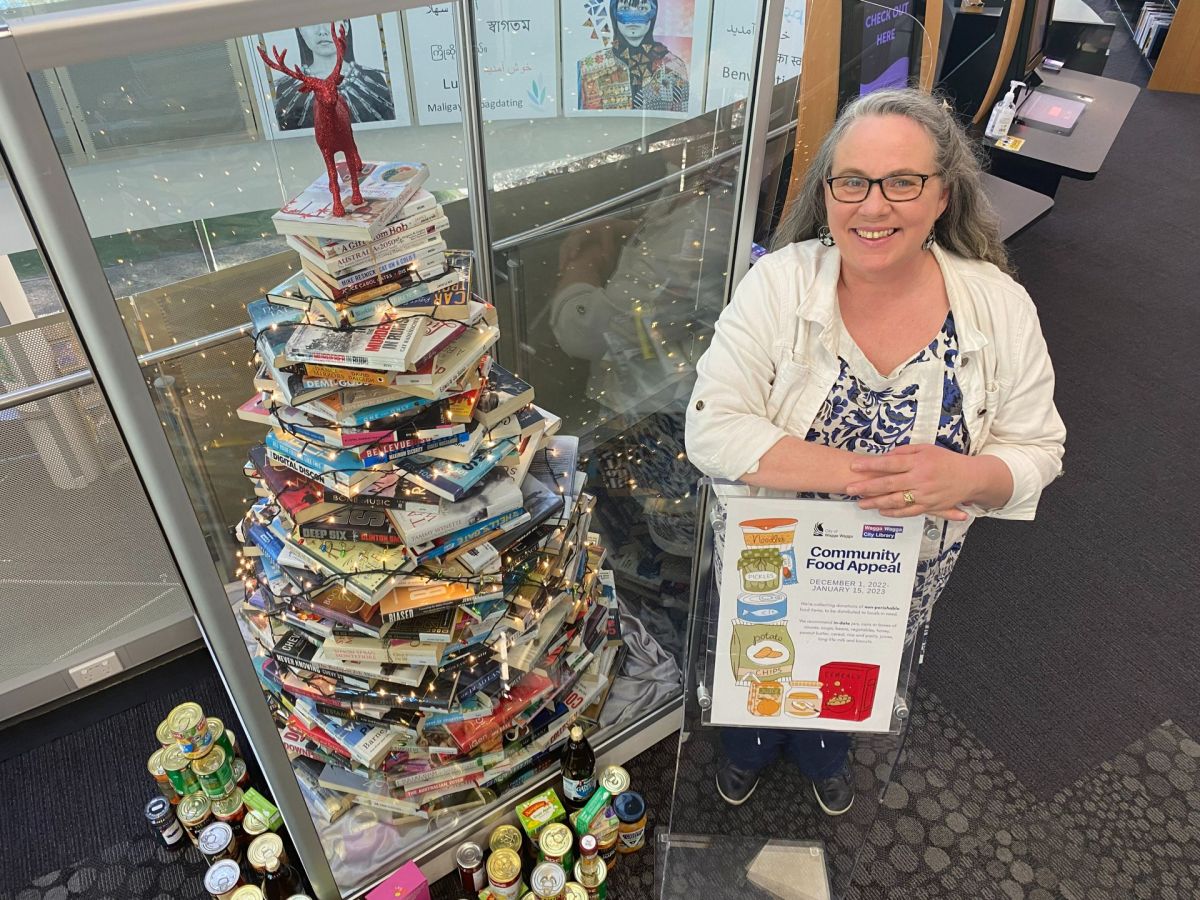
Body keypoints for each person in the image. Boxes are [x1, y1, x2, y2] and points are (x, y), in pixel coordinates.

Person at [684, 88, 1066, 814]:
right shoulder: (779, 283)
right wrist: (884, 478)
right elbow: (710, 430)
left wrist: (971, 475)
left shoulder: (998, 305)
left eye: (903, 183)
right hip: (772, 561)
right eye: (852, 181)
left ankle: (826, 754)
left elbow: (1038, 447)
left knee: (847, 684)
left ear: (942, 194)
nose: (873, 206)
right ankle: (747, 753)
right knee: (754, 682)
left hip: (891, 580)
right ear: (828, 191)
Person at [271, 20, 395, 131]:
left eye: (331, 20)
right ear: (300, 30)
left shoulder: (373, 80)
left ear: (345, 26)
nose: (322, 32)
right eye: (311, 22)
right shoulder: (287, 88)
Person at [578, 0, 689, 112]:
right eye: (624, 9)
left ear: (653, 14)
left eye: (642, 9)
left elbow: (682, 120)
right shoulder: (586, 67)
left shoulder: (675, 66)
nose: (633, 18)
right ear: (614, 13)